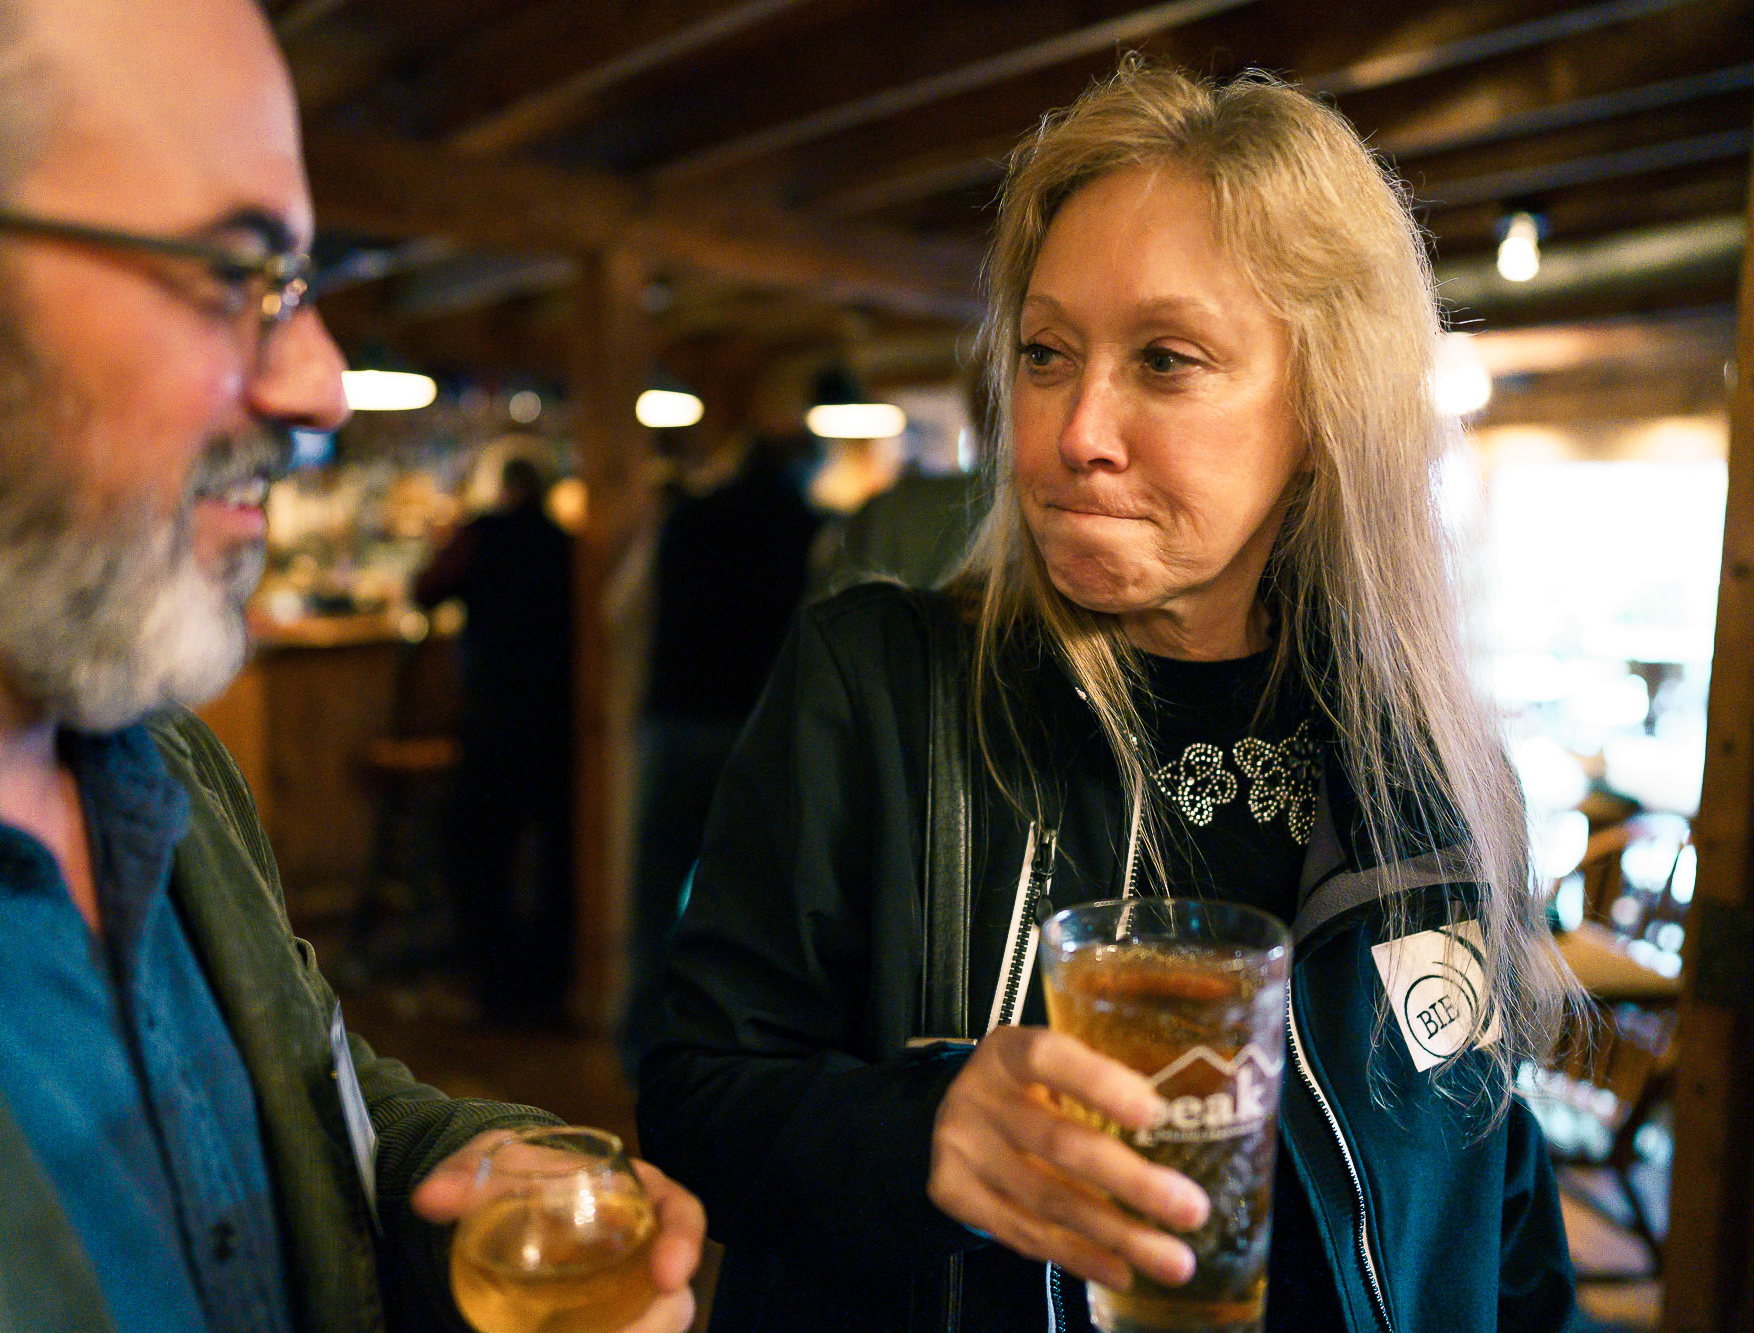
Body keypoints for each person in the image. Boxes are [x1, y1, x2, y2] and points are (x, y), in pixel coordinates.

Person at [0, 1, 699, 1330]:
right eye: (231, 272)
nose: (322, 386)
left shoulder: (159, 761)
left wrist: (460, 1185)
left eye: (297, 289)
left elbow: (305, 1110)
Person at [638, 62, 1578, 1332]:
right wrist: (923, 1133)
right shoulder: (877, 685)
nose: (1074, 431)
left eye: (1165, 359)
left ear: (1324, 407)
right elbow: (693, 1090)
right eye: (1045, 354)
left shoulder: (1433, 771)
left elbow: (1488, 1192)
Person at [619, 426, 825, 1077]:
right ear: (798, 468)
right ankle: (725, 1054)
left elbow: (624, 605)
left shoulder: (688, 514)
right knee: (752, 900)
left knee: (657, 888)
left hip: (677, 716)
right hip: (759, 725)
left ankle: (642, 1042)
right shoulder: (806, 525)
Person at [413, 454, 575, 1026]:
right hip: (561, 723)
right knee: (557, 858)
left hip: (496, 720)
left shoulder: (483, 533)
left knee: (475, 850)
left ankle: (496, 983)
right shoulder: (566, 543)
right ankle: (548, 982)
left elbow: (425, 589)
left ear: (504, 490)